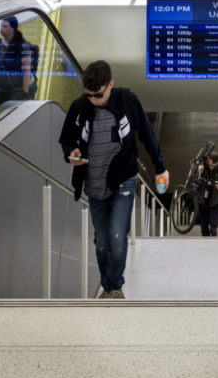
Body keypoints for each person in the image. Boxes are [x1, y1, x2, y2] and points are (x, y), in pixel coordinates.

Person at [58, 60, 167, 299]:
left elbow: (147, 134)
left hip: (124, 180)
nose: (93, 100)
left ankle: (113, 287)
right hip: (94, 185)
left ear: (110, 86)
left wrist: (160, 168)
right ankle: (109, 284)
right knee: (102, 242)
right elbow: (66, 139)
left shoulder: (127, 100)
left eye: (98, 95)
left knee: (117, 238)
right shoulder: (80, 107)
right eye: (89, 95)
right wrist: (71, 154)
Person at [0, 16, 40, 108]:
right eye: (1, 26)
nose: (2, 28)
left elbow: (26, 72)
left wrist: (24, 93)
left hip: (19, 90)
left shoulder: (22, 46)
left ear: (13, 29)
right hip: (1, 90)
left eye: (5, 26)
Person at [195, 149, 218, 237]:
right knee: (203, 228)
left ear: (217, 163)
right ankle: (206, 247)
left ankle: (214, 239)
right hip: (202, 201)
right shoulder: (202, 166)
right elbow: (193, 180)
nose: (212, 167)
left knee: (213, 228)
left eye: (214, 165)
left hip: (215, 202)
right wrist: (198, 172)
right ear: (208, 160)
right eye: (210, 165)